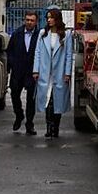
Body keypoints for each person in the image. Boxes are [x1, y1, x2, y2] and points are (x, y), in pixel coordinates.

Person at [33, 7, 73, 138]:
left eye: (51, 17)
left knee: (57, 102)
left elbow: (68, 55)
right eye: (48, 17)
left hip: (59, 73)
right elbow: (37, 53)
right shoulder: (43, 33)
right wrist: (36, 70)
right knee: (47, 101)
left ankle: (56, 128)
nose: (49, 20)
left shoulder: (66, 35)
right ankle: (48, 127)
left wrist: (67, 73)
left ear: (57, 19)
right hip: (45, 73)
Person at [5, 11, 42, 134]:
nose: (29, 22)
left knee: (31, 99)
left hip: (32, 72)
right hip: (18, 71)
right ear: (24, 20)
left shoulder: (40, 35)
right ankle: (19, 115)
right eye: (27, 20)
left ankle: (29, 124)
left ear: (36, 22)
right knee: (14, 94)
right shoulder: (17, 34)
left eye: (32, 20)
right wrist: (10, 67)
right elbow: (9, 51)